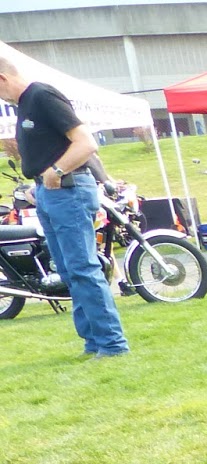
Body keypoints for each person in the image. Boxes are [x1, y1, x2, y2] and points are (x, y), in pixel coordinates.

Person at [0, 54, 128, 358]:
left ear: (2, 78)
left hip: (68, 192)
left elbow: (86, 143)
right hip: (50, 194)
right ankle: (93, 342)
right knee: (70, 272)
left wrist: (56, 172)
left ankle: (112, 344)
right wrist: (39, 182)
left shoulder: (42, 95)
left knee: (83, 269)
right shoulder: (26, 104)